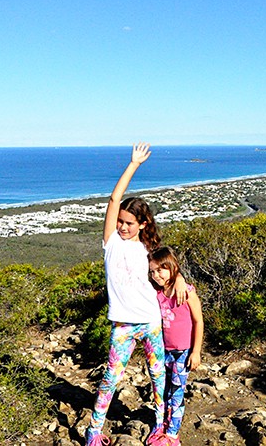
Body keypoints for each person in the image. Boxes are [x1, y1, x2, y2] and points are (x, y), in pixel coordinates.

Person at [86, 143, 187, 446]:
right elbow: (115, 198)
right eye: (120, 221)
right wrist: (134, 165)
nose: (123, 226)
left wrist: (180, 278)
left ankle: (159, 426)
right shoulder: (111, 243)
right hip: (122, 325)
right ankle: (94, 431)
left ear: (142, 224)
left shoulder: (148, 248)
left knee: (158, 377)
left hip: (151, 321)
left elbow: (167, 268)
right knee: (110, 379)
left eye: (130, 223)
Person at [148, 246, 204, 446]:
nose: (156, 275)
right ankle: (161, 425)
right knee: (162, 391)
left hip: (182, 352)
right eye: (152, 271)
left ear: (171, 267)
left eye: (160, 270)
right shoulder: (156, 293)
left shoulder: (186, 292)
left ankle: (172, 434)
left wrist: (196, 351)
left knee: (177, 394)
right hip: (163, 352)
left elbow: (198, 321)